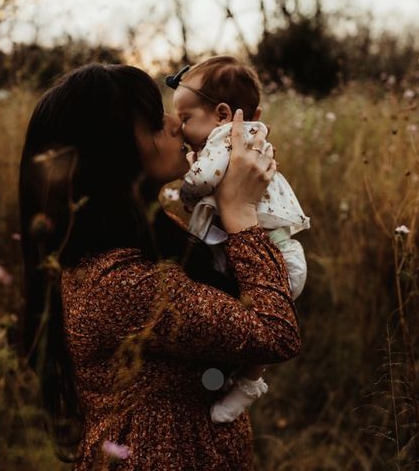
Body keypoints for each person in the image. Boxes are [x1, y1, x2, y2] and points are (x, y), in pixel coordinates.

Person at [19, 62, 301, 471]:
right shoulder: (118, 281)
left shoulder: (148, 230)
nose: (174, 123)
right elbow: (275, 334)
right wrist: (240, 212)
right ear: (111, 152)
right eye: (153, 120)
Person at [168, 56, 309, 424]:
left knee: (263, 323)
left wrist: (185, 192)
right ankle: (239, 379)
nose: (180, 130)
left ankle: (244, 383)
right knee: (253, 321)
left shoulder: (224, 138)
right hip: (282, 252)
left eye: (185, 119)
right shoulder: (251, 137)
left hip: (273, 252)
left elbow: (203, 179)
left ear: (221, 113)